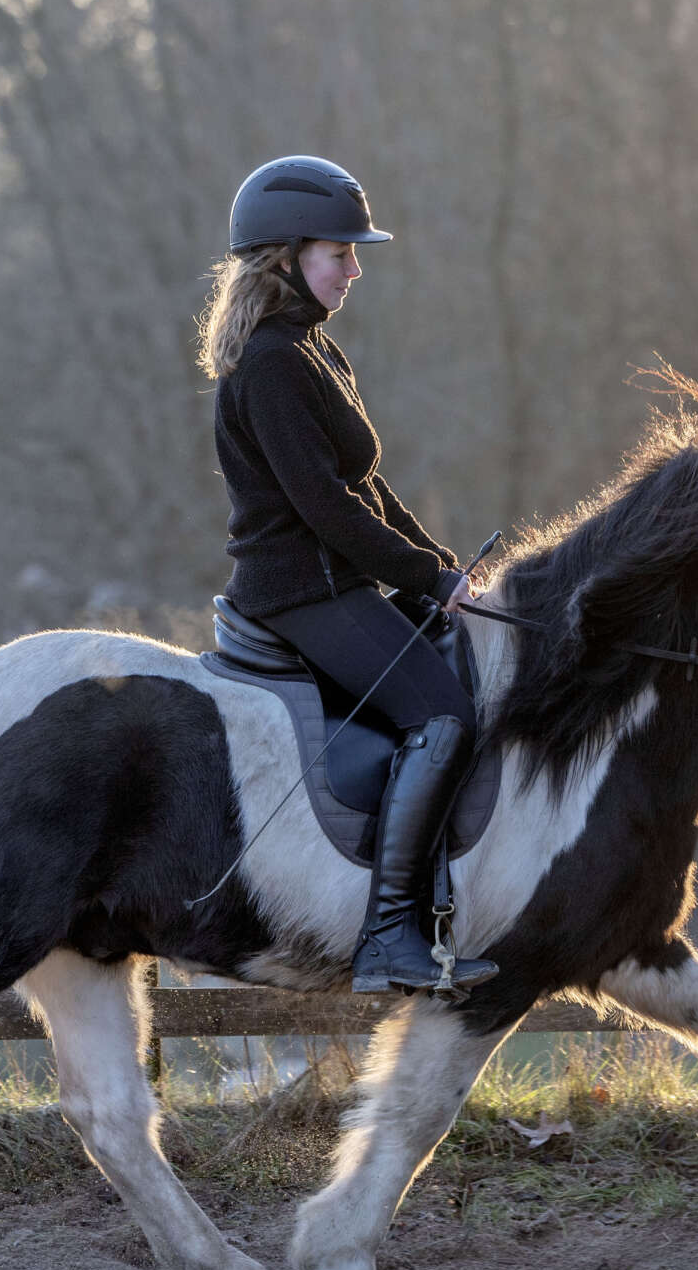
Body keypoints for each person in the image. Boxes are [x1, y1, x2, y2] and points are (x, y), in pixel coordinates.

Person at [197, 155, 497, 997]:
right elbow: (325, 509)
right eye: (341, 253)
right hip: (301, 592)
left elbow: (370, 489)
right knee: (439, 715)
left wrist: (439, 568)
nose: (355, 269)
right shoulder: (271, 365)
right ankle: (392, 938)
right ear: (286, 256)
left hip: (337, 579)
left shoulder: (312, 351)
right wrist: (419, 578)